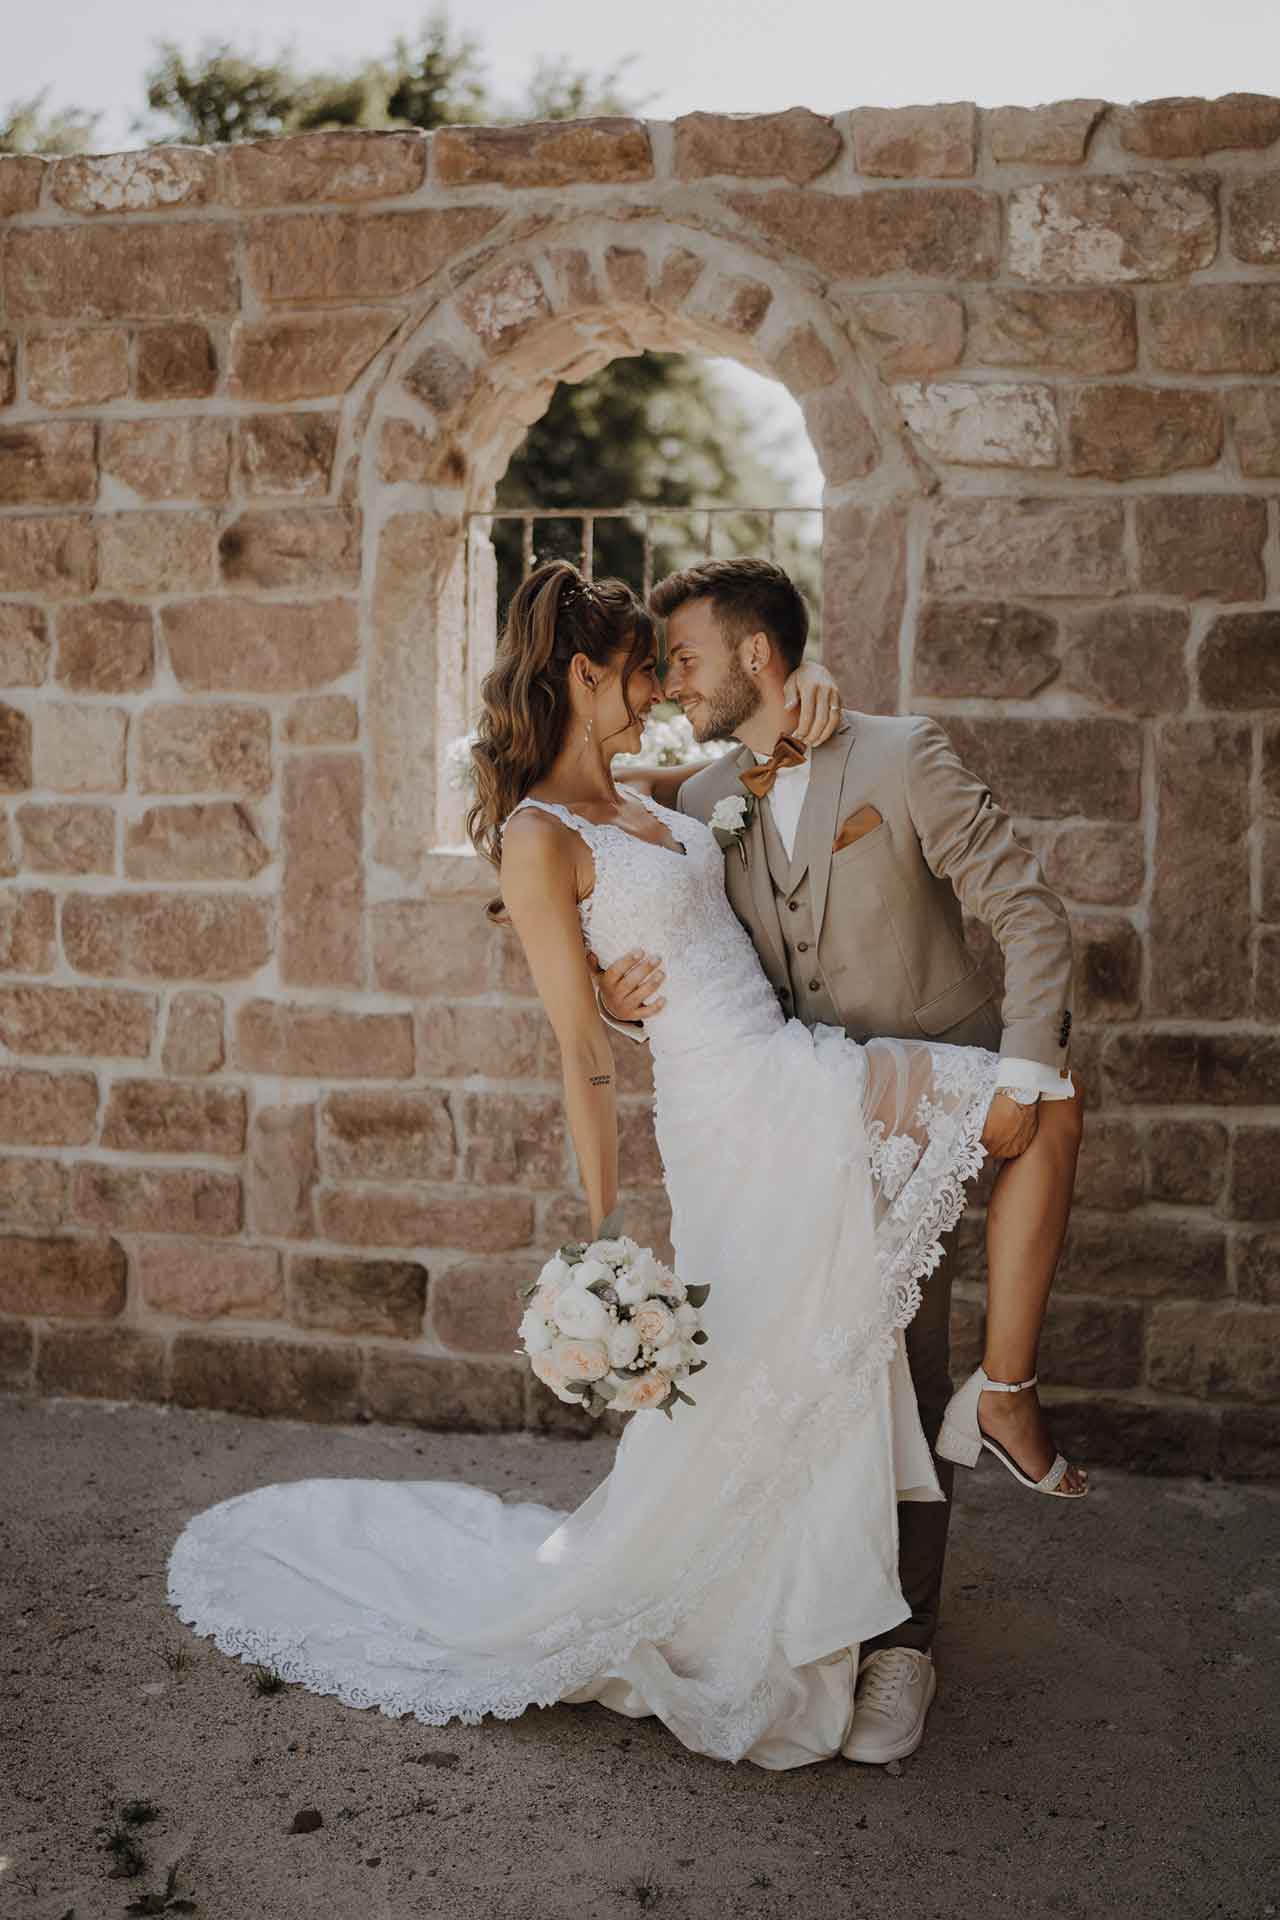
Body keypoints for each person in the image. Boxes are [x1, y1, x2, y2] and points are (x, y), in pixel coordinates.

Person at [166, 560, 1086, 1774]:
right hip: (741, 1104)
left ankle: (886, 1609)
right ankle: (895, 1538)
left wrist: (811, 700)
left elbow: (740, 771)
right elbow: (580, 1054)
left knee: (838, 1360)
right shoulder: (542, 836)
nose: (662, 683)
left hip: (793, 1073)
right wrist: (599, 1236)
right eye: (645, 666)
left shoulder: (672, 793)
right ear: (585, 674)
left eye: (676, 661)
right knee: (881, 1285)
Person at [595, 556, 1087, 1763]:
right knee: (807, 1376)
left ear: (758, 656)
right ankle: (806, 1616)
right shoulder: (707, 788)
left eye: (687, 658)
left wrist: (1021, 1071)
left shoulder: (898, 755)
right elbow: (643, 904)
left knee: (904, 1379)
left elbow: (1028, 916)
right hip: (790, 1126)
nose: (670, 682)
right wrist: (616, 999)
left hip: (925, 1106)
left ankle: (901, 1648)